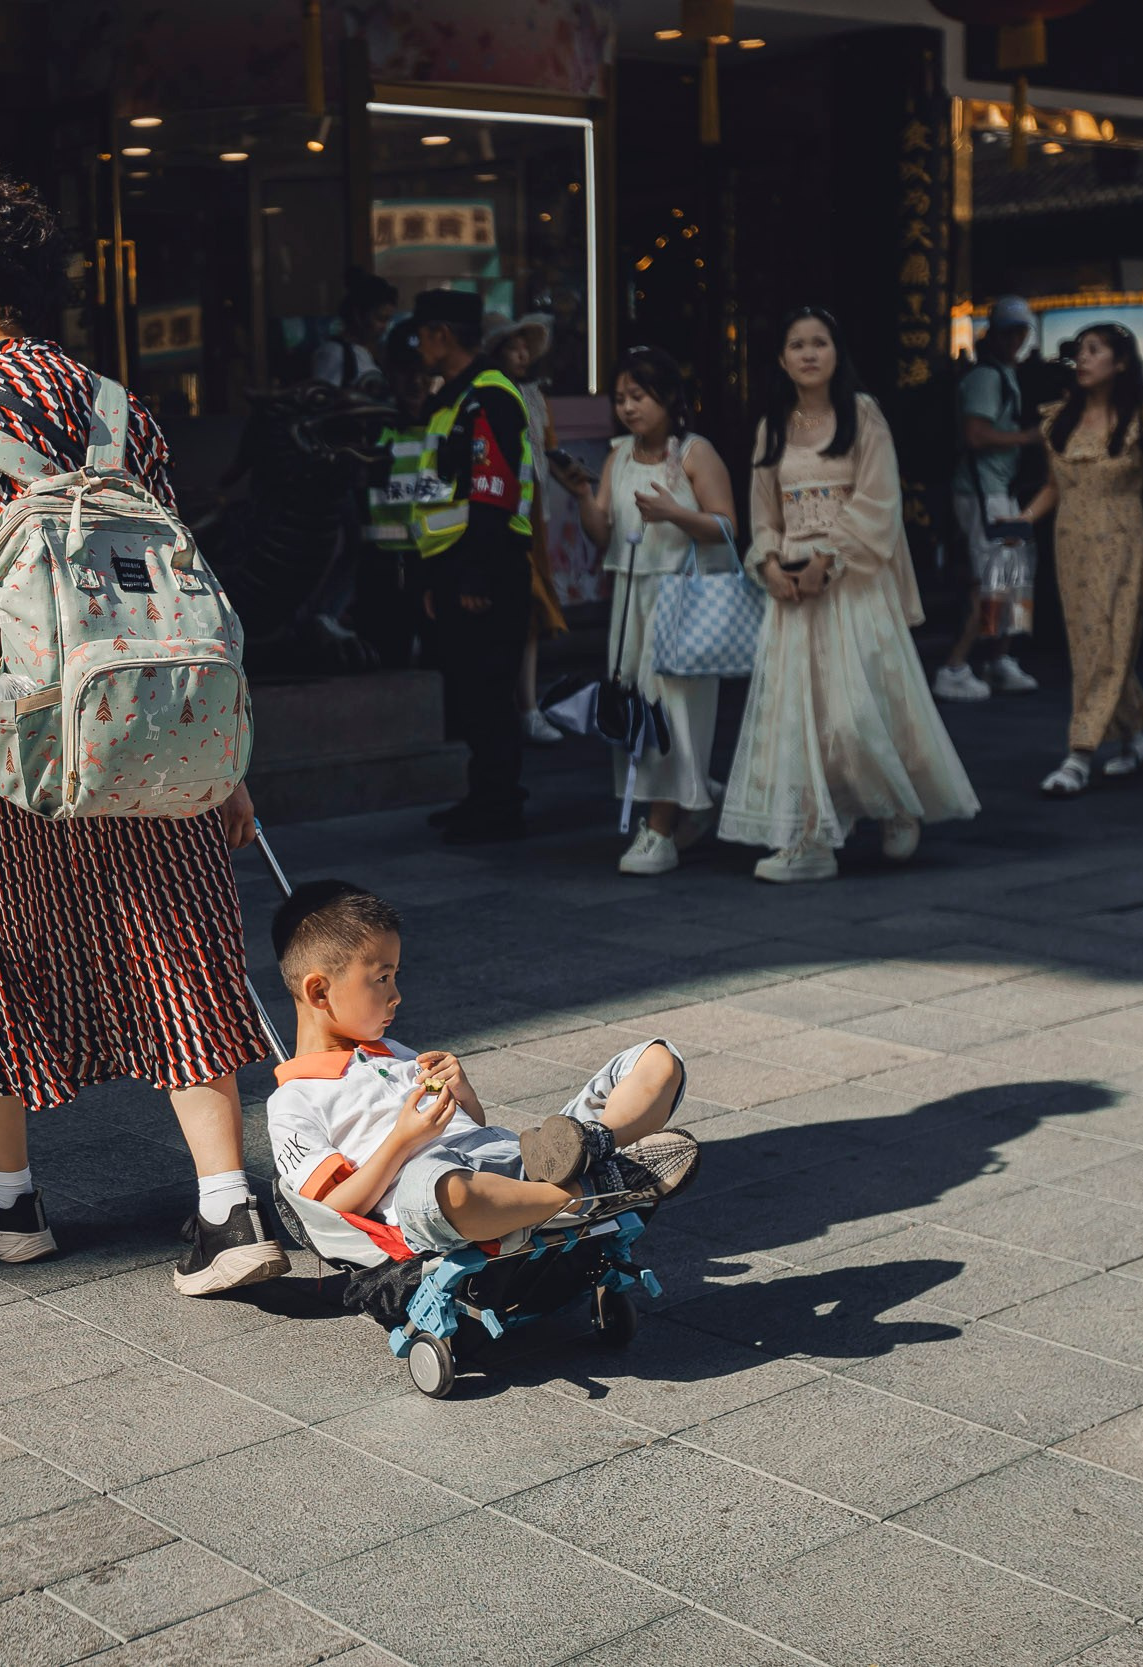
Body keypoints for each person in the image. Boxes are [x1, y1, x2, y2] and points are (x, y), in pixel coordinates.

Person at [0, 162, 286, 1298]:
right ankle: (227, 1202)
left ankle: (9, 1202)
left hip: (7, 752)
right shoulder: (118, 411)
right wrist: (222, 759)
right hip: (145, 728)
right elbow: (170, 592)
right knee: (176, 943)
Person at [262, 882, 697, 1255]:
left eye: (395, 977)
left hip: (515, 1160)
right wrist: (402, 1140)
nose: (397, 995)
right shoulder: (293, 1102)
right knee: (434, 1190)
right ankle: (595, 1190)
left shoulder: (393, 1050)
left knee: (656, 1058)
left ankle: (596, 1147)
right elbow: (334, 1211)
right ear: (319, 992)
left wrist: (463, 1093)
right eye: (382, 979)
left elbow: (474, 1128)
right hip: (438, 1191)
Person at [719, 308, 979, 883]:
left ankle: (897, 802)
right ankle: (810, 839)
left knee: (859, 710)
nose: (809, 354)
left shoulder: (863, 415)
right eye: (797, 344)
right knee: (799, 714)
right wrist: (768, 563)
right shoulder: (772, 425)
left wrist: (826, 560)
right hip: (792, 589)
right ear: (782, 359)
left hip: (853, 580)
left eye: (820, 343)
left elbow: (878, 502)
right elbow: (763, 509)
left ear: (837, 354)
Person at [559, 347, 740, 875]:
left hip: (680, 598)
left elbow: (727, 525)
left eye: (639, 396)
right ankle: (692, 798)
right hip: (631, 597)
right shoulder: (617, 455)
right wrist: (583, 495)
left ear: (668, 399)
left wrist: (674, 513)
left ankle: (659, 829)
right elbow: (604, 535)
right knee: (636, 707)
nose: (629, 408)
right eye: (620, 399)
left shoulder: (694, 453)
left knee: (673, 709)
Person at [1019, 324, 1143, 796]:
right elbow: (1054, 488)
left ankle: (1079, 754)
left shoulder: (1142, 416)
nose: (1083, 359)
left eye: (1094, 351)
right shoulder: (1058, 420)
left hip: (1121, 542)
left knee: (1105, 644)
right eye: (1080, 352)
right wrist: (1021, 521)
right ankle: (1135, 738)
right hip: (1070, 543)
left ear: (1119, 363)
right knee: (1092, 645)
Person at [413, 289, 538, 844]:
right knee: (471, 692)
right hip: (456, 565)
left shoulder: (488, 396)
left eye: (423, 333)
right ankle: (482, 796)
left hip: (486, 565)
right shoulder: (452, 399)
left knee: (489, 692)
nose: (419, 344)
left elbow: (495, 491)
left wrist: (474, 577)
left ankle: (499, 806)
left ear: (442, 334)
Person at [934, 295, 1044, 703]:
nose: (1015, 338)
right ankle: (954, 667)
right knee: (993, 577)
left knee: (1015, 574)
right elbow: (975, 435)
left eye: (1020, 331)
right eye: (1008, 331)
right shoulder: (986, 378)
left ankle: (998, 660)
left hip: (1000, 491)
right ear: (993, 334)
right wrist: (1027, 437)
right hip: (984, 492)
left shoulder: (1001, 373)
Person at [486, 312, 570, 747]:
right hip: (496, 510)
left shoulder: (536, 398)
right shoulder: (481, 395)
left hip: (531, 511)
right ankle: (516, 708)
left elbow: (551, 453)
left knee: (531, 612)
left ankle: (528, 706)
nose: (521, 355)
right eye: (511, 347)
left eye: (525, 347)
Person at [311, 267, 399, 388]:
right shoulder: (334, 353)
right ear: (358, 315)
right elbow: (322, 400)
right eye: (380, 319)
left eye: (388, 320)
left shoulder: (365, 353)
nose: (384, 327)